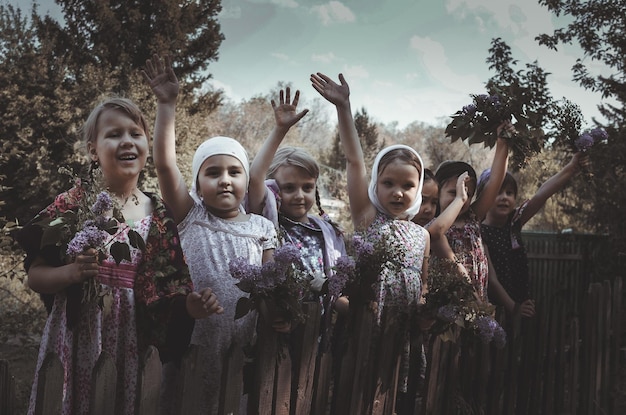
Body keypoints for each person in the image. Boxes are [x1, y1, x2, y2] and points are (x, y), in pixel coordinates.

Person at [14, 96, 221, 415]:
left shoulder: (158, 216)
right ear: (93, 150)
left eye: (135, 134)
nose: (127, 141)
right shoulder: (73, 205)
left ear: (147, 144)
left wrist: (188, 305)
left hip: (130, 342)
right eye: (114, 134)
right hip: (74, 340)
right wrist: (69, 274)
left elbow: (168, 291)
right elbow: (36, 276)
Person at [144, 54, 277, 414]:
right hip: (192, 344)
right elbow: (164, 164)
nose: (224, 179)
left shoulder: (262, 229)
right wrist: (167, 105)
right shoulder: (190, 216)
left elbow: (268, 289)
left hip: (241, 349)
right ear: (198, 185)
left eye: (235, 171)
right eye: (212, 172)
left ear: (247, 181)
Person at [311, 72, 429, 411]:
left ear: (417, 189)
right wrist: (344, 108)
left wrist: (425, 308)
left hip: (401, 335)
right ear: (376, 185)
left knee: (390, 399)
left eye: (408, 185)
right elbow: (354, 160)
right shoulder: (367, 219)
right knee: (352, 398)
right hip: (363, 328)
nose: (398, 192)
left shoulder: (422, 236)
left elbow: (421, 285)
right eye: (388, 182)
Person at [247, 87, 347, 332]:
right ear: (273, 189)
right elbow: (254, 177)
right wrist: (280, 130)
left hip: (317, 332)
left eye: (307, 187)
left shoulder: (326, 231)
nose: (300, 195)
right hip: (276, 329)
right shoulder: (268, 221)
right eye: (289, 187)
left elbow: (338, 286)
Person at [479, 152, 590, 317]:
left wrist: (572, 168)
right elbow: (492, 280)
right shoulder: (479, 232)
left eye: (509, 193)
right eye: (498, 192)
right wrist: (513, 307)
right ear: (484, 197)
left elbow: (542, 194)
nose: (504, 198)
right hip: (495, 308)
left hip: (521, 302)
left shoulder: (514, 222)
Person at [429, 123, 511, 303]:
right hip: (445, 304)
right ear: (437, 191)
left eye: (468, 193)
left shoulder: (473, 216)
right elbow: (437, 234)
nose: (462, 198)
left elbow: (496, 179)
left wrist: (502, 143)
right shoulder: (433, 224)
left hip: (477, 300)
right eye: (455, 192)